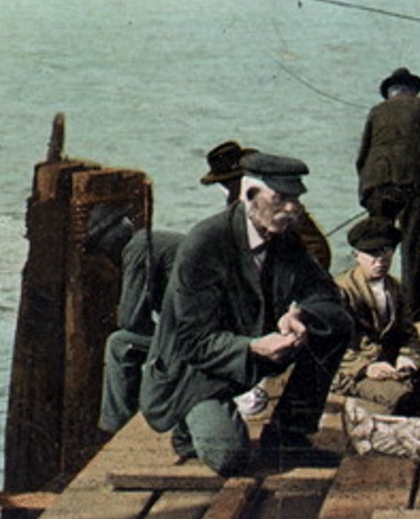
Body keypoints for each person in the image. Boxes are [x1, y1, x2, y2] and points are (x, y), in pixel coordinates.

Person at [140, 152, 354, 475]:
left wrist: (300, 314)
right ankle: (187, 425)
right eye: (281, 198)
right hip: (194, 372)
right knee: (229, 457)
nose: (293, 208)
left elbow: (325, 294)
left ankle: (288, 436)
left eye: (296, 198)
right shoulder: (205, 243)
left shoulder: (284, 237)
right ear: (250, 195)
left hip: (251, 351)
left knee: (335, 324)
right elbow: (192, 343)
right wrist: (253, 347)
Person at [356, 68, 420, 319]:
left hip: (375, 186)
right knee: (413, 247)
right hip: (410, 185)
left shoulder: (376, 111)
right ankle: (411, 311)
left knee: (376, 246)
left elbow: (362, 157)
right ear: (412, 90)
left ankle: (377, 309)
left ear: (389, 92)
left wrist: (371, 185)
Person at [332, 217, 420, 425]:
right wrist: (366, 368)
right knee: (403, 400)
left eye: (386, 251)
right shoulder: (341, 290)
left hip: (390, 366)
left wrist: (407, 359)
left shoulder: (394, 288)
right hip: (350, 371)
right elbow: (331, 345)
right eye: (372, 253)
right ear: (356, 255)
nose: (380, 260)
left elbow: (408, 333)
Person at [87, 202, 187, 434]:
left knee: (119, 343)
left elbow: (130, 319)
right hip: (207, 330)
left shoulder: (138, 247)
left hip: (199, 338)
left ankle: (115, 427)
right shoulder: (154, 241)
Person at [203, 139, 332, 270]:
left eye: (229, 182)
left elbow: (317, 248)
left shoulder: (285, 209)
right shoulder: (233, 209)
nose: (227, 187)